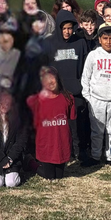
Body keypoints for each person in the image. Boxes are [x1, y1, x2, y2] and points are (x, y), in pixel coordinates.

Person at [43, 11, 92, 163]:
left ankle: (81, 152)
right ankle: (64, 152)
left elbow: (86, 66)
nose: (67, 32)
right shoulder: (49, 43)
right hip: (56, 93)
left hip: (76, 91)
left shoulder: (80, 42)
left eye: (70, 28)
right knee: (59, 125)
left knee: (78, 124)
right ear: (58, 28)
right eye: (64, 28)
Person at [80, 25, 111, 165]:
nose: (109, 42)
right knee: (96, 130)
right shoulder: (93, 55)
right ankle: (95, 156)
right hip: (96, 99)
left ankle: (110, 156)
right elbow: (86, 77)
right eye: (105, 38)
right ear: (99, 39)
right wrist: (88, 97)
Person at [26, 66, 76, 181]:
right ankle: (30, 163)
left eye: (52, 78)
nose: (50, 82)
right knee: (50, 177)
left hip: (61, 143)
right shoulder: (35, 100)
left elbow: (71, 119)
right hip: (46, 145)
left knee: (59, 176)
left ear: (58, 79)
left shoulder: (68, 98)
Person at [0, 89, 29, 188]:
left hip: (12, 158)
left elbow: (21, 141)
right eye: (1, 102)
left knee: (11, 183)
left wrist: (10, 158)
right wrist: (1, 158)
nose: (4, 105)